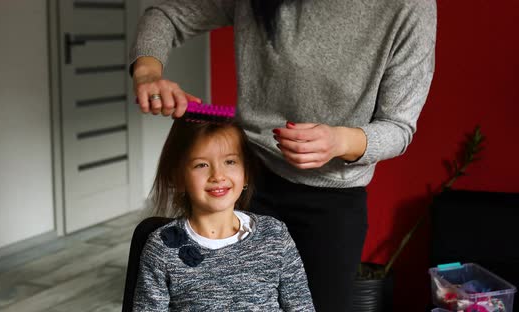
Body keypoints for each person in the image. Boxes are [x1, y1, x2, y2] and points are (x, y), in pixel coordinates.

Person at [129, 0, 437, 310]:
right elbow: (167, 13)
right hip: (251, 180)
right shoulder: (164, 246)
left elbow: (399, 127)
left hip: (332, 204)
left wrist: (340, 140)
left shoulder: (409, 7)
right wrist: (147, 72)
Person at [133, 119, 315, 311]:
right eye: (201, 165)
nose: (218, 176)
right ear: (178, 178)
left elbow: (301, 306)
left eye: (230, 162)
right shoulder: (161, 249)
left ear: (245, 173)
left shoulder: (275, 234)